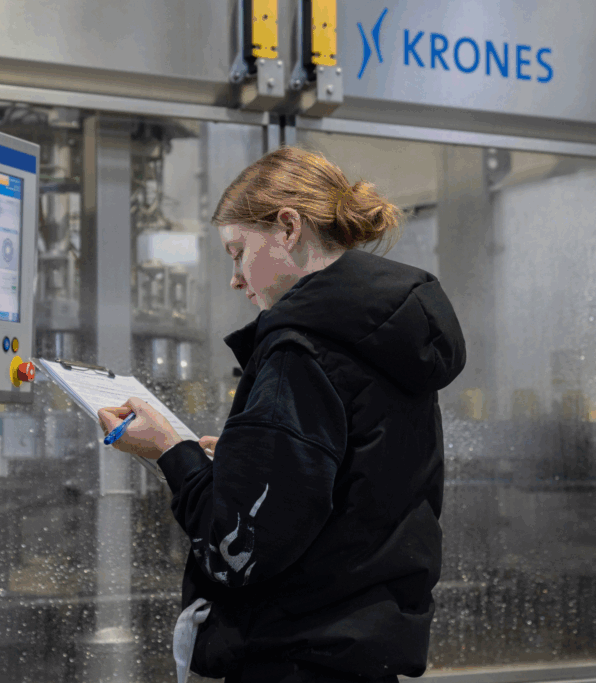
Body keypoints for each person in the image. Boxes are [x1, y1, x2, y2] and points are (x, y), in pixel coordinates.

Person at [98, 147, 466, 683]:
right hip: (361, 657)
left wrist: (169, 452)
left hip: (296, 660)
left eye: (238, 251)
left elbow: (236, 549)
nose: (235, 278)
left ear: (287, 228)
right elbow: (351, 487)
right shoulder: (385, 339)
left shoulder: (300, 351)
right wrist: (251, 464)